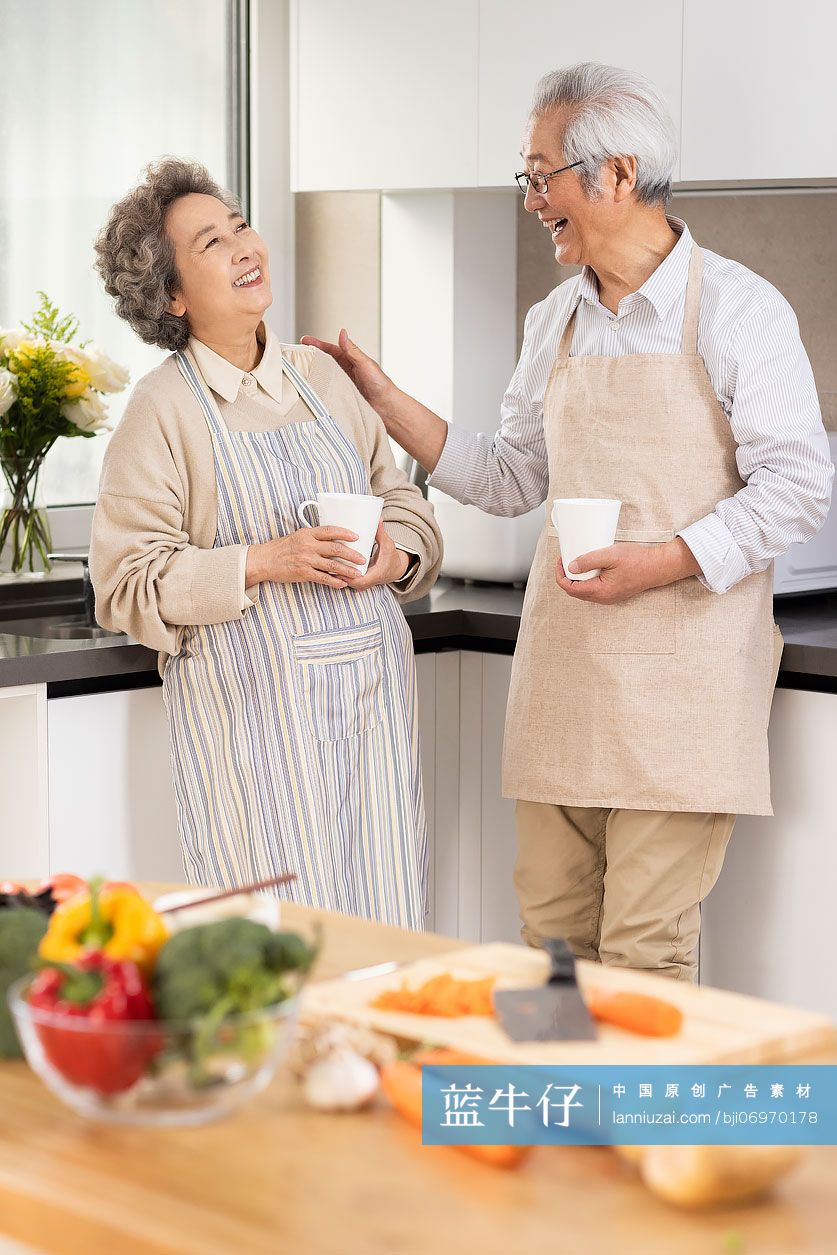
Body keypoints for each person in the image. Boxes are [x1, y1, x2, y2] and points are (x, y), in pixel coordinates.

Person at [302, 63, 834, 979]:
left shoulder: (741, 311)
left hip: (686, 686)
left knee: (641, 951)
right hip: (567, 675)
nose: (529, 198)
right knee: (547, 941)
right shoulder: (555, 318)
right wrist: (390, 404)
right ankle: (553, 1118)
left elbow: (797, 486)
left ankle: (628, 1127)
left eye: (539, 174)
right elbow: (513, 477)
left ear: (616, 176)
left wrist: (662, 559)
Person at [89, 158, 442, 929]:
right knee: (277, 946)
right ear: (172, 295)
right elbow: (122, 584)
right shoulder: (163, 410)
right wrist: (260, 560)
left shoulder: (322, 377)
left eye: (240, 224)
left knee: (386, 932)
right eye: (211, 242)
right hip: (255, 736)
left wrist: (398, 558)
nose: (244, 245)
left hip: (372, 712)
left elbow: (403, 503)